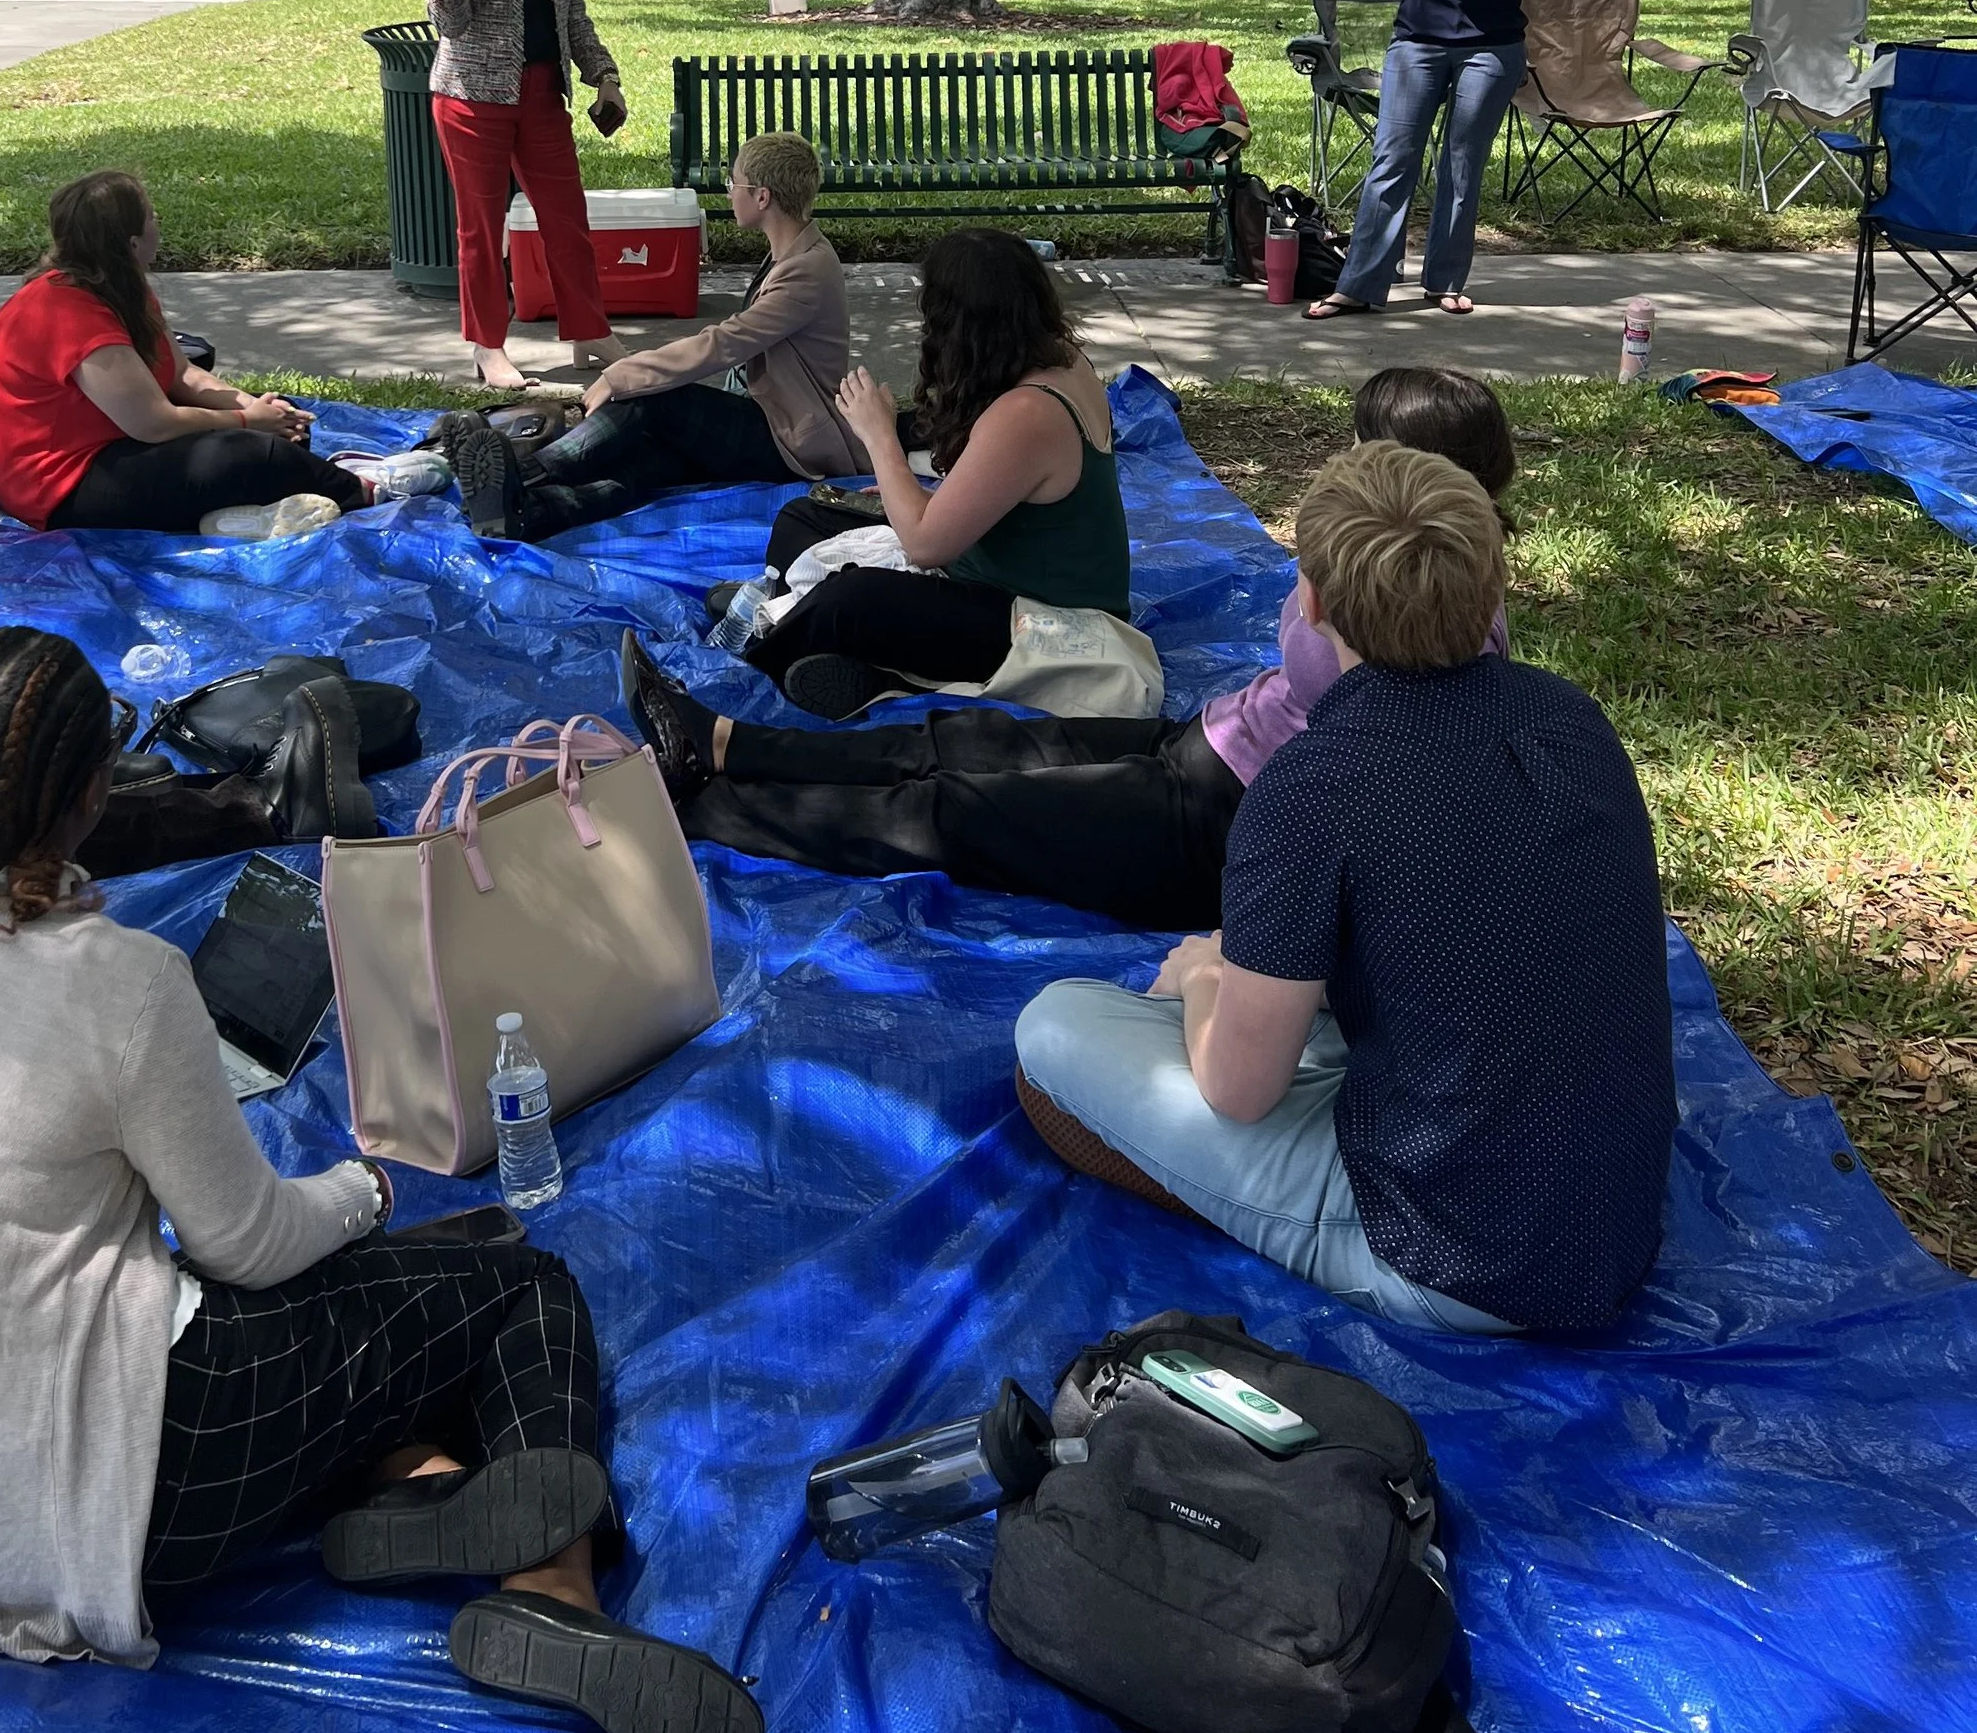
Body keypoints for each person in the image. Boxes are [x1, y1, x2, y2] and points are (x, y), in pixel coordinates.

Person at [0, 629, 763, 1733]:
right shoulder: (118, 983)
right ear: (91, 794)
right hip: (140, 1492)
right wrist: (362, 1188)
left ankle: (423, 1492)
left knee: (359, 1322)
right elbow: (251, 1247)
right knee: (516, 1287)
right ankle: (555, 1595)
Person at [1014, 444, 1677, 1336]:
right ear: (1491, 592)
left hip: (1459, 1259)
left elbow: (1238, 1090)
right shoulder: (1571, 719)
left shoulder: (1315, 786)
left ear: (1314, 603)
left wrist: (1205, 978)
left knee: (1054, 1027)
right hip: (1620, 1220)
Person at [623, 368, 1516, 928]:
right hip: (1213, 749)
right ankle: (726, 745)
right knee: (971, 741)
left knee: (958, 813)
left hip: (1223, 828)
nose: (1340, 456)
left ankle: (697, 811)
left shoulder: (1420, 619)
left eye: (1361, 449)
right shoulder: (1440, 580)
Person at [745, 229, 1130, 722]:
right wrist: (899, 490)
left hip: (1041, 623)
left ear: (959, 324)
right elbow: (994, 486)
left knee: (851, 600)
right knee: (808, 515)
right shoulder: (1056, 361)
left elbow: (927, 546)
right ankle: (813, 627)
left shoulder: (1029, 412)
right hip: (987, 572)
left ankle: (787, 641)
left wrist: (880, 437)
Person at [435, 131, 865, 538]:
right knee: (645, 463)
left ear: (762, 197)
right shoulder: (793, 254)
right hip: (766, 420)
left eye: (734, 181)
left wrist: (622, 374)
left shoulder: (805, 271)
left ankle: (521, 471)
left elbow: (723, 343)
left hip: (788, 441)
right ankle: (525, 513)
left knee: (657, 398)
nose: (728, 190)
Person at [0, 170, 370, 534]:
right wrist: (246, 421)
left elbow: (183, 375)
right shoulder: (67, 312)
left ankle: (231, 517)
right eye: (152, 217)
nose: (158, 223)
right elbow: (153, 423)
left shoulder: (122, 287)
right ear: (131, 243)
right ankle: (367, 493)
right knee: (259, 453)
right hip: (61, 487)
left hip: (121, 446)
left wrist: (253, 406)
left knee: (285, 419)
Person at [1309, 0, 1543, 323]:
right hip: (1419, 39)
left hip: (1489, 46)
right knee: (1392, 159)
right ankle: (1361, 285)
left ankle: (1445, 281)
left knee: (1461, 164)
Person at [423, 0, 625, 392]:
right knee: (482, 229)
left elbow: (573, 16)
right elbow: (450, 24)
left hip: (541, 94)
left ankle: (589, 329)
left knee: (568, 218)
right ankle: (489, 347)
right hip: (471, 100)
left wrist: (603, 75)